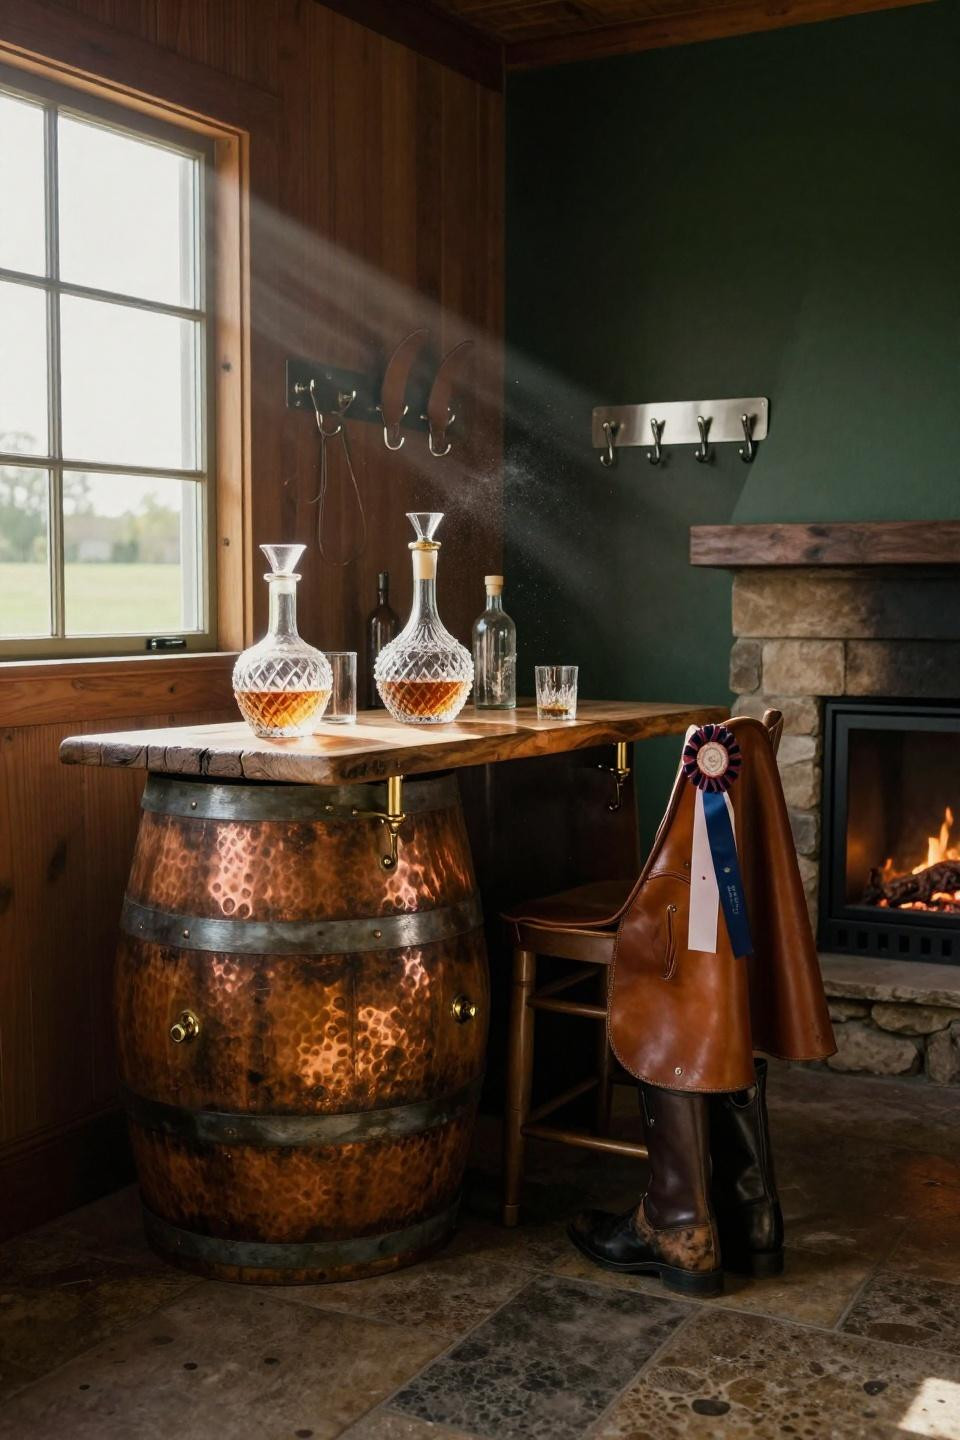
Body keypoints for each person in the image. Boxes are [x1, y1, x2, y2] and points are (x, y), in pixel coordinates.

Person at [568, 715, 835, 1297]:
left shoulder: (718, 751)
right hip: (706, 913)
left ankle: (678, 1221)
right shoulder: (743, 742)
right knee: (690, 970)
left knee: (670, 986)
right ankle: (751, 1214)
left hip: (687, 911)